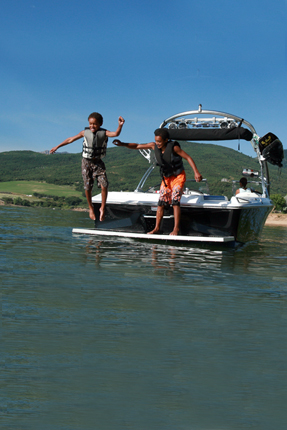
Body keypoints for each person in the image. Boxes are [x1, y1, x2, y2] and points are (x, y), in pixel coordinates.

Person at [113, 128, 202, 236]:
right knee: (161, 202)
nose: (157, 143)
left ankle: (176, 229)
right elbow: (137, 146)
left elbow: (188, 157)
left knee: (175, 201)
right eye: (156, 141)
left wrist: (196, 172)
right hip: (166, 178)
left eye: (159, 141)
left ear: (166, 140)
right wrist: (122, 144)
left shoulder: (174, 147)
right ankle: (157, 228)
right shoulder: (153, 146)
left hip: (178, 176)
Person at [50, 113, 125, 221]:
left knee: (104, 185)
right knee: (88, 187)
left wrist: (120, 125)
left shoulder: (104, 133)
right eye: (90, 124)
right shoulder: (84, 133)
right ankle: (91, 208)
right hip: (86, 162)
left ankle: (102, 208)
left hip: (98, 162)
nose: (92, 126)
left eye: (94, 124)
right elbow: (70, 139)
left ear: (100, 124)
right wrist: (57, 146)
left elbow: (116, 134)